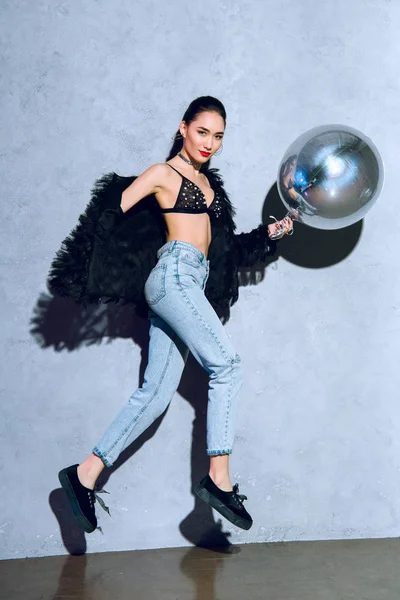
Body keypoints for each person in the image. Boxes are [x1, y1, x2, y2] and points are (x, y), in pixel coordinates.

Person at [52, 96, 293, 535]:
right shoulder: (164, 174)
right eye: (202, 132)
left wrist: (268, 235)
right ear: (183, 128)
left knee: (156, 395)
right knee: (228, 367)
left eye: (218, 136)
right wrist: (83, 268)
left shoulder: (211, 189)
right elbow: (112, 213)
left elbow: (225, 252)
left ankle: (84, 474)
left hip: (193, 282)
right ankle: (218, 477)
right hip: (173, 277)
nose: (210, 143)